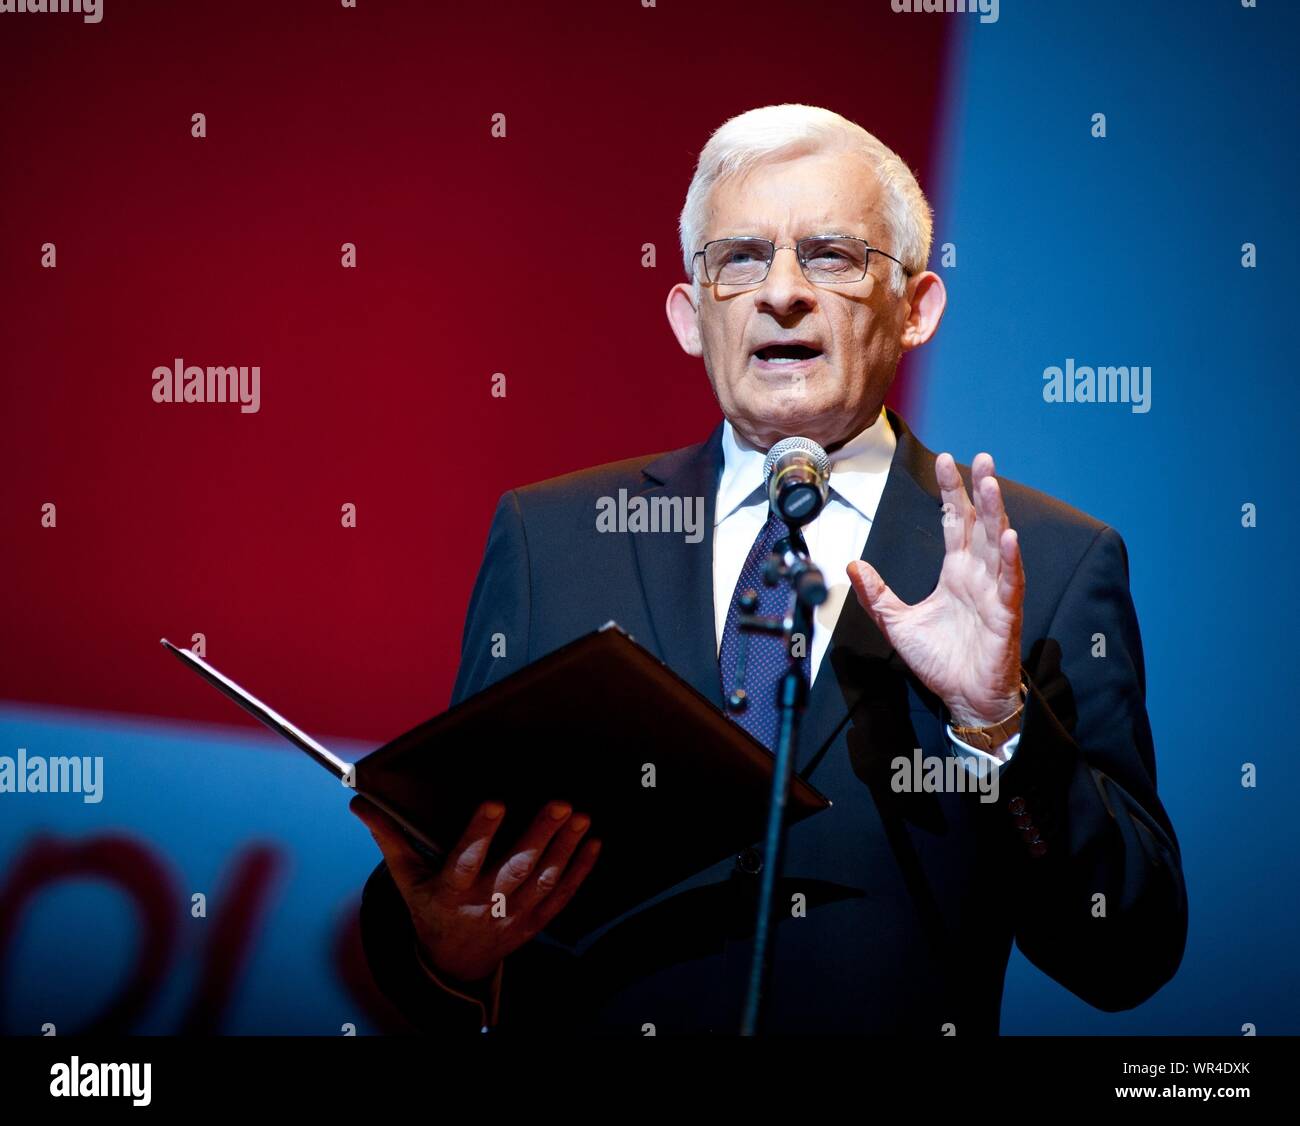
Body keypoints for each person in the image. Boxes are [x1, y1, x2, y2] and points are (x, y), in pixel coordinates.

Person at [350, 103, 1187, 1035]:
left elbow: (1129, 952)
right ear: (688, 312)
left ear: (916, 309)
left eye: (831, 255)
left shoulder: (1044, 562)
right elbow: (451, 872)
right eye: (740, 258)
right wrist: (443, 949)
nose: (781, 292)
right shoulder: (553, 540)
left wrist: (995, 724)